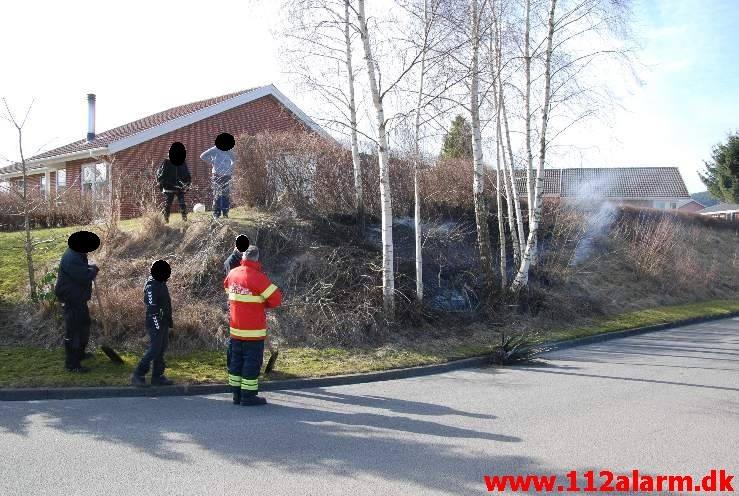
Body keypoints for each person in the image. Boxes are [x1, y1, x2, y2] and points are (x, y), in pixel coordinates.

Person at [224, 246, 281, 406]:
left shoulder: (232, 273)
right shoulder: (259, 278)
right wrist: (261, 303)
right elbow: (276, 299)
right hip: (253, 331)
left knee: (236, 362)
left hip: (235, 329)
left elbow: (227, 289)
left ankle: (236, 395)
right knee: (251, 362)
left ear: (243, 257)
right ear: (257, 258)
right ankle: (248, 396)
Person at [54, 230, 100, 373]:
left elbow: (82, 270)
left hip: (78, 298)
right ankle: (72, 364)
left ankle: (80, 354)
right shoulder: (72, 257)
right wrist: (93, 271)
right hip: (71, 299)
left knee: (84, 325)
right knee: (74, 331)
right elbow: (82, 276)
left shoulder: (77, 254)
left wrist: (90, 268)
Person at [131, 260, 175, 387]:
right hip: (155, 322)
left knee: (161, 348)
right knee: (154, 349)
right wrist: (157, 325)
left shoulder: (161, 283)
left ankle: (158, 376)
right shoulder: (151, 286)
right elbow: (152, 308)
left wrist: (167, 322)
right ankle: (138, 374)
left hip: (163, 322)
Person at [200, 133, 236, 219]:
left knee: (225, 194)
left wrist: (231, 167)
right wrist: (212, 162)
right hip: (216, 175)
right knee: (217, 194)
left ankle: (225, 213)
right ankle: (216, 213)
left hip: (227, 175)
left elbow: (234, 159)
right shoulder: (214, 149)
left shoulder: (228, 150)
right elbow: (202, 156)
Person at [157, 142, 192, 223]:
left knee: (182, 203)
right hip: (170, 186)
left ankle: (184, 218)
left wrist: (187, 184)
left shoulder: (183, 162)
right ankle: (166, 218)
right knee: (168, 203)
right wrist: (163, 184)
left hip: (180, 186)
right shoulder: (167, 162)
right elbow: (161, 175)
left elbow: (187, 174)